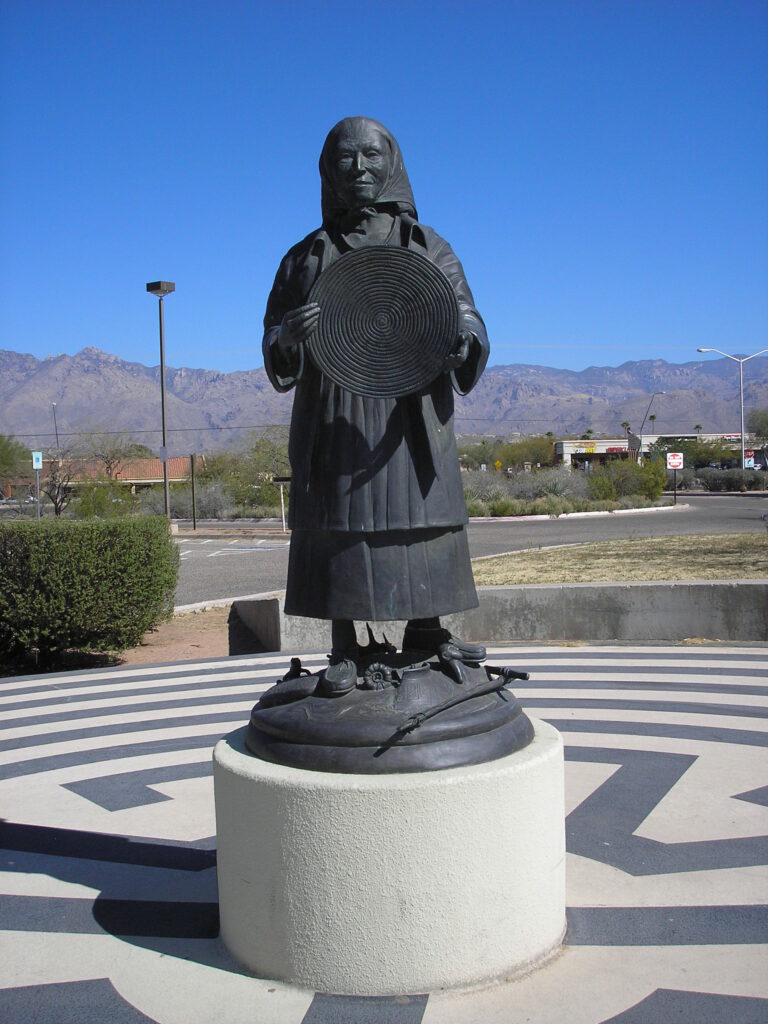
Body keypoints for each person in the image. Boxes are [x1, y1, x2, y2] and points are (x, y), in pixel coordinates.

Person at [262, 116, 489, 691]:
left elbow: (468, 317)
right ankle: (344, 644)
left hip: (409, 419)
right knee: (341, 526)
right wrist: (288, 337)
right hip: (335, 416)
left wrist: (462, 335)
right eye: (344, 158)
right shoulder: (304, 257)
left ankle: (428, 629)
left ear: (392, 164)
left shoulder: (429, 247)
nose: (358, 168)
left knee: (421, 521)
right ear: (327, 170)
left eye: (370, 155)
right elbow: (272, 342)